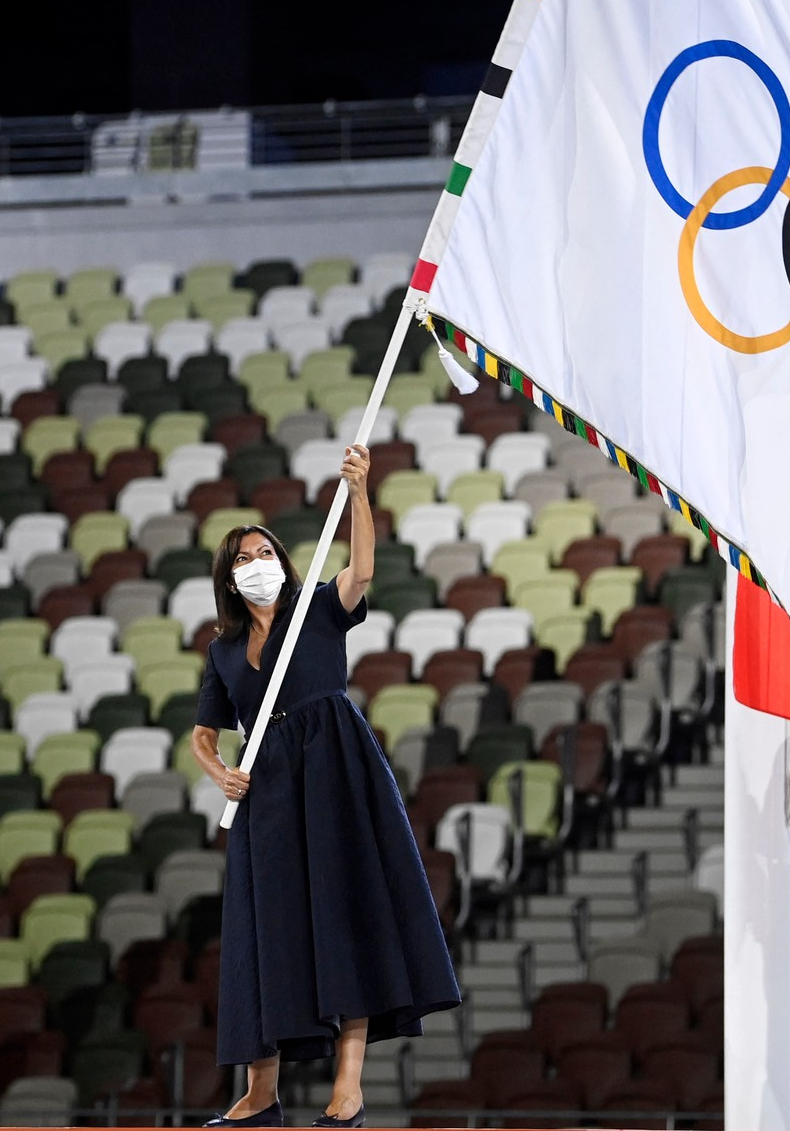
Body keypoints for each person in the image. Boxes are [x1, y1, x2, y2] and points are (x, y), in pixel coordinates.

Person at [191, 443, 462, 1128]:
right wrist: (220, 773)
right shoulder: (223, 651)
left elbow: (363, 569)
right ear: (229, 577)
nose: (258, 565)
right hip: (267, 789)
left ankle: (349, 1088)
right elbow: (204, 732)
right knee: (265, 929)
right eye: (244, 559)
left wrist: (361, 491)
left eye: (265, 553)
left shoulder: (314, 604)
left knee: (346, 914)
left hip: (334, 764)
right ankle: (261, 1093)